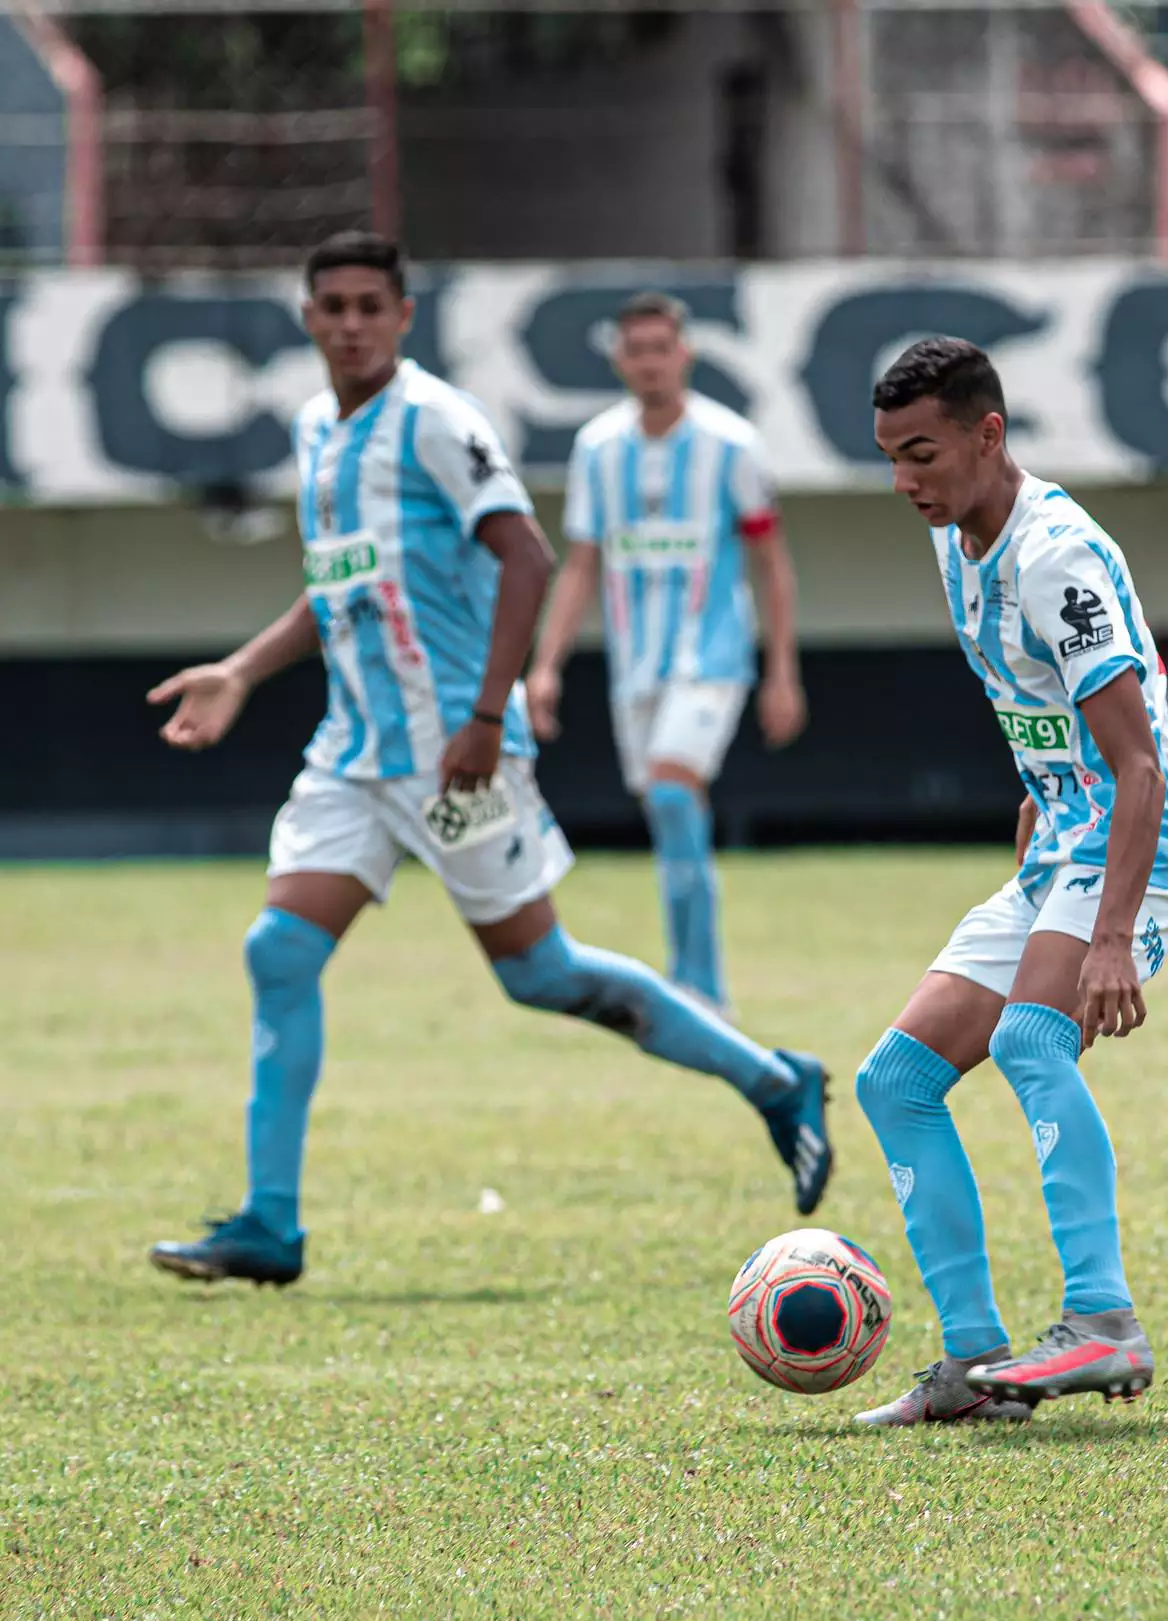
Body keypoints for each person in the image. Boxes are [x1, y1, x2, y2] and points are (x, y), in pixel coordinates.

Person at [144, 234, 831, 1288]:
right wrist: (240, 671)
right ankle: (269, 1224)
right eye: (332, 305)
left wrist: (484, 713)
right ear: (309, 317)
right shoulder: (317, 429)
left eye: (372, 304)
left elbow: (528, 555)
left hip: (456, 758)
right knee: (277, 953)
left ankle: (776, 1079)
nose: (352, 323)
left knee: (540, 974)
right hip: (352, 756)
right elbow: (339, 590)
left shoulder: (436, 421)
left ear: (404, 315)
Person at [852, 338, 1168, 1426]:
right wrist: (1034, 800)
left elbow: (1140, 761)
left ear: (986, 433)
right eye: (889, 458)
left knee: (1028, 1038)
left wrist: (1106, 938)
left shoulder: (1056, 556)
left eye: (921, 453)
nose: (904, 480)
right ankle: (973, 1362)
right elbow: (1036, 709)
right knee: (894, 1081)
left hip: (1138, 839)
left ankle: (1103, 1323)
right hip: (1061, 834)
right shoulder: (956, 540)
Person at [525, 292, 806, 1014]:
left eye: (661, 348)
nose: (649, 362)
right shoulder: (597, 449)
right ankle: (691, 975)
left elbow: (770, 561)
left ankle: (699, 986)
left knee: (675, 792)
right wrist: (546, 665)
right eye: (636, 349)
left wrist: (782, 672)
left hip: (710, 657)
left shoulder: (731, 444)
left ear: (684, 355)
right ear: (619, 359)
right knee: (669, 808)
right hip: (634, 665)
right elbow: (582, 562)